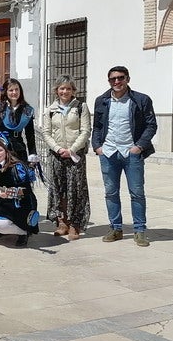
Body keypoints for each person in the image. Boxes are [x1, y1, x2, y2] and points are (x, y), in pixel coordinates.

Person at [92, 66, 157, 247]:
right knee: (111, 193)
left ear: (128, 79)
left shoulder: (141, 100)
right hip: (109, 153)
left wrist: (139, 146)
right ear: (109, 81)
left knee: (137, 193)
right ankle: (116, 228)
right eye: (113, 79)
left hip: (131, 153)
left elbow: (151, 125)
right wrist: (97, 147)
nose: (117, 81)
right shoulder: (102, 100)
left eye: (120, 78)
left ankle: (140, 230)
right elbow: (97, 126)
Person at [41, 75, 91, 241]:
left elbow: (85, 131)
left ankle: (75, 224)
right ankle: (62, 222)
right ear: (57, 90)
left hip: (75, 155)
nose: (65, 91)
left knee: (76, 189)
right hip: (57, 155)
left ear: (73, 90)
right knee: (59, 189)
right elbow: (46, 133)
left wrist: (72, 149)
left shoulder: (81, 107)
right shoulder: (50, 110)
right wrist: (58, 149)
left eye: (68, 88)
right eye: (62, 88)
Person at [0, 78, 38, 163]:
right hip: (0, 149)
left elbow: (30, 134)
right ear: (6, 92)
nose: (14, 92)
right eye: (11, 90)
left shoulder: (27, 110)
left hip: (18, 149)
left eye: (17, 89)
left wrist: (32, 153)